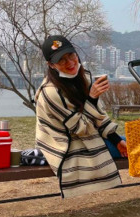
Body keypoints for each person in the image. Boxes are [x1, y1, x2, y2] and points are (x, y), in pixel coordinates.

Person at [35, 35, 127, 198]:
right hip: (67, 145)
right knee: (136, 145)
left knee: (131, 142)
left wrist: (116, 141)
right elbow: (79, 128)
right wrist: (92, 98)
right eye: (62, 60)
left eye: (71, 55)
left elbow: (99, 117)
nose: (70, 63)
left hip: (88, 136)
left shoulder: (84, 77)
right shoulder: (50, 92)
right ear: (51, 65)